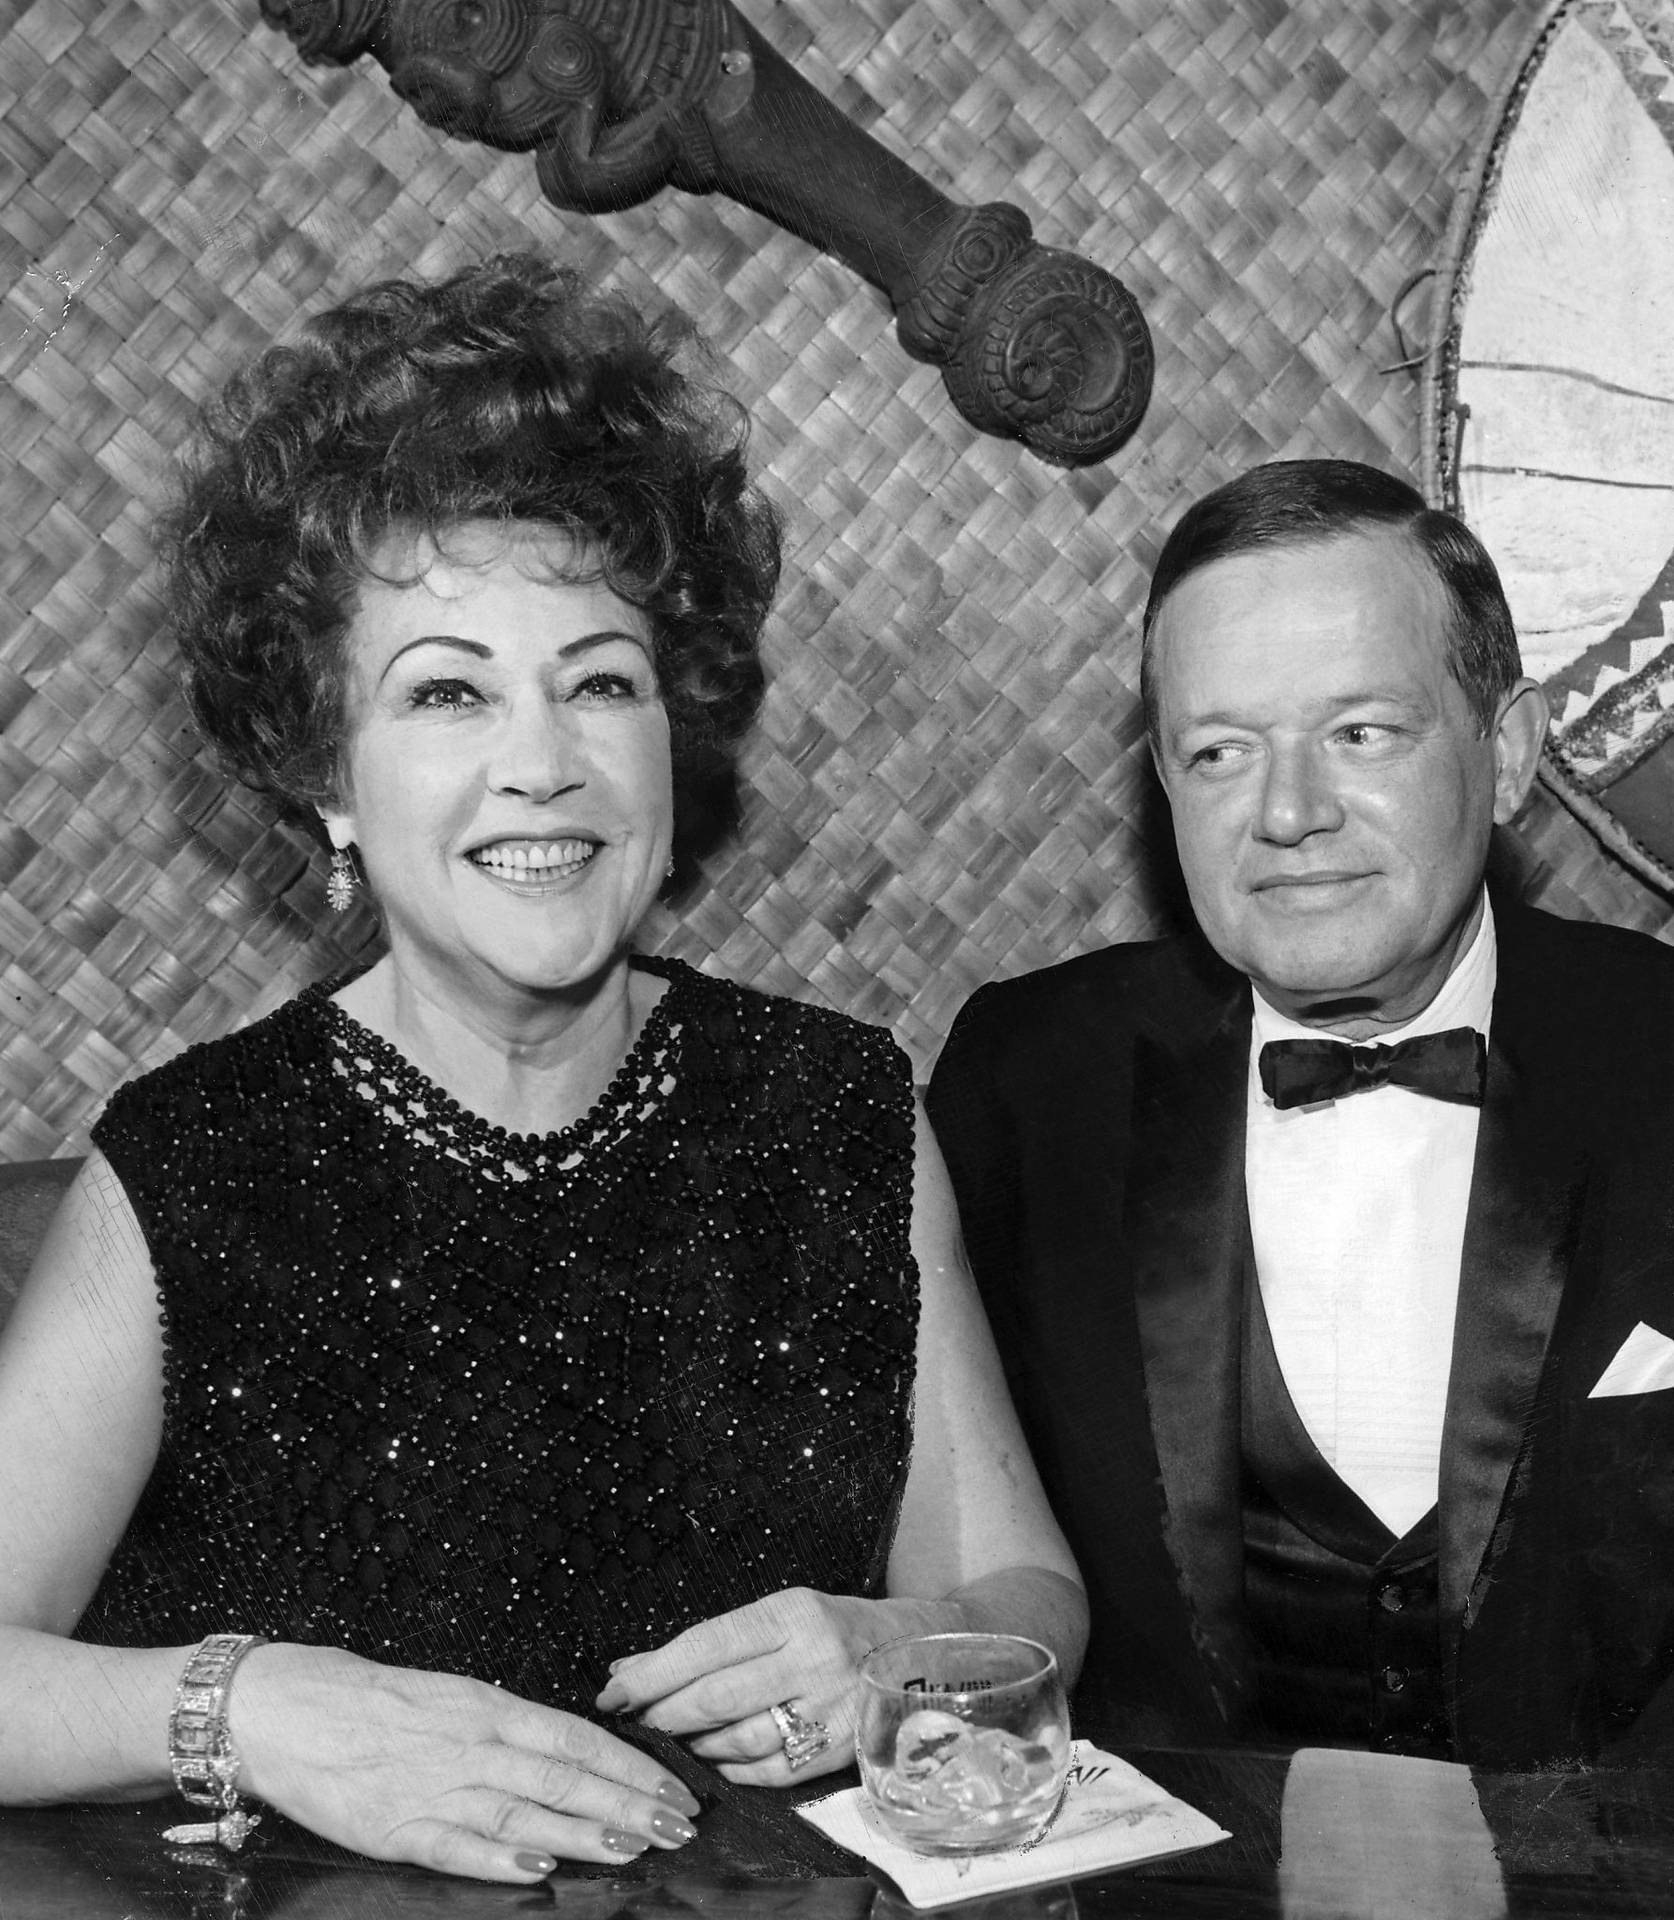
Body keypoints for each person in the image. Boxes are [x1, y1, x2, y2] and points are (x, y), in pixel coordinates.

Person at [0, 255, 1085, 1882]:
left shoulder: (839, 1111)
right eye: (446, 692)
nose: (542, 764)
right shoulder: (196, 1159)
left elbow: (1026, 1605)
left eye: (599, 681)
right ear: (328, 781)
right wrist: (259, 1707)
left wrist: (899, 1641)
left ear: (672, 729)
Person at [926, 457, 1674, 1767]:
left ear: (1506, 755)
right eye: (1220, 752)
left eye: (1358, 733)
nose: (1286, 812)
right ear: (1162, 787)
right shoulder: (1027, 1080)